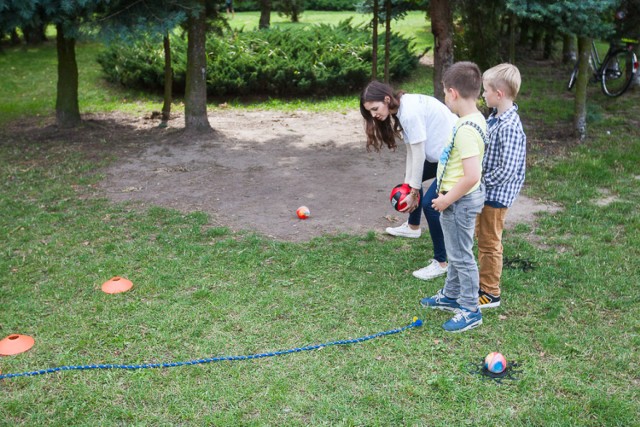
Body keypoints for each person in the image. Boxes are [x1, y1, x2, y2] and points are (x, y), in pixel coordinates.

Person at [360, 81, 457, 280]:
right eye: (370, 111)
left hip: (455, 158)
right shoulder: (402, 108)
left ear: (387, 99)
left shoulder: (409, 112)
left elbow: (419, 153)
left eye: (375, 109)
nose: (374, 115)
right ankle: (413, 228)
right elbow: (412, 152)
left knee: (431, 206)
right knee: (414, 179)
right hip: (440, 157)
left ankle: (442, 262)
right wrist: (409, 184)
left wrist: (413, 192)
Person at [420, 61, 486, 333]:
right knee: (456, 250)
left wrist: (446, 200)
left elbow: (471, 175)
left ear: (453, 93)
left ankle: (470, 308)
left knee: (460, 256)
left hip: (459, 201)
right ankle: (450, 294)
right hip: (455, 199)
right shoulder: (472, 120)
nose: (444, 98)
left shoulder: (467, 129)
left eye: (444, 93)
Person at [476, 63, 527, 309]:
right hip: (486, 193)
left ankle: (490, 293)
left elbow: (507, 170)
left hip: (496, 195)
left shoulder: (510, 127)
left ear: (499, 94)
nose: (482, 94)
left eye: (485, 90)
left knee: (489, 242)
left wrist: (479, 181)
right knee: (483, 238)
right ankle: (482, 283)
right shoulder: (495, 118)